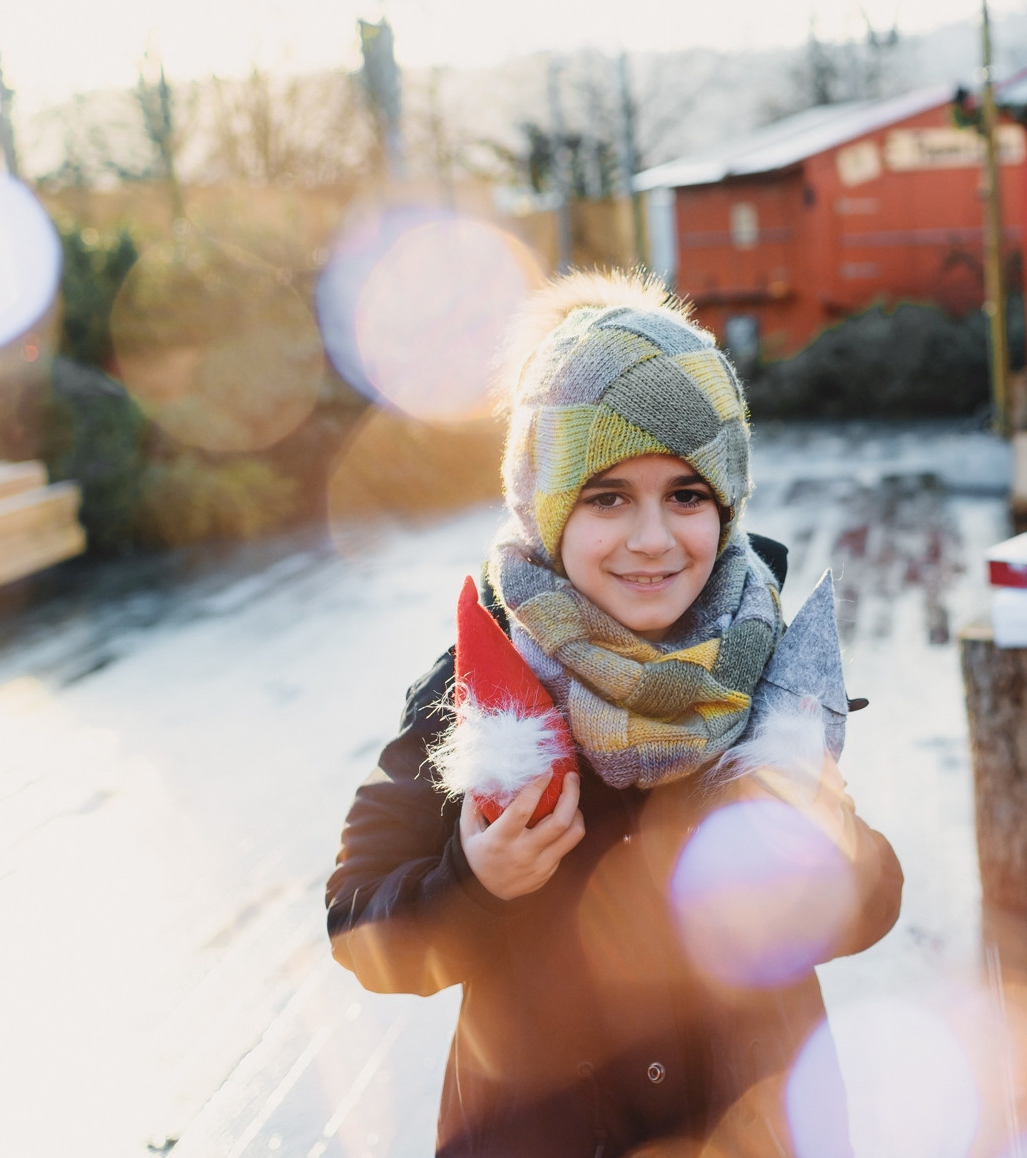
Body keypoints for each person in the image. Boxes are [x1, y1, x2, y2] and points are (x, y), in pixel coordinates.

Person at [326, 272, 903, 1156]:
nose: (652, 538)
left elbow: (871, 908)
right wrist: (476, 885)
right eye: (606, 497)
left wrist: (837, 856)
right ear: (547, 508)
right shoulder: (482, 682)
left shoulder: (769, 672)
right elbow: (362, 929)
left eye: (686, 494)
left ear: (726, 502)